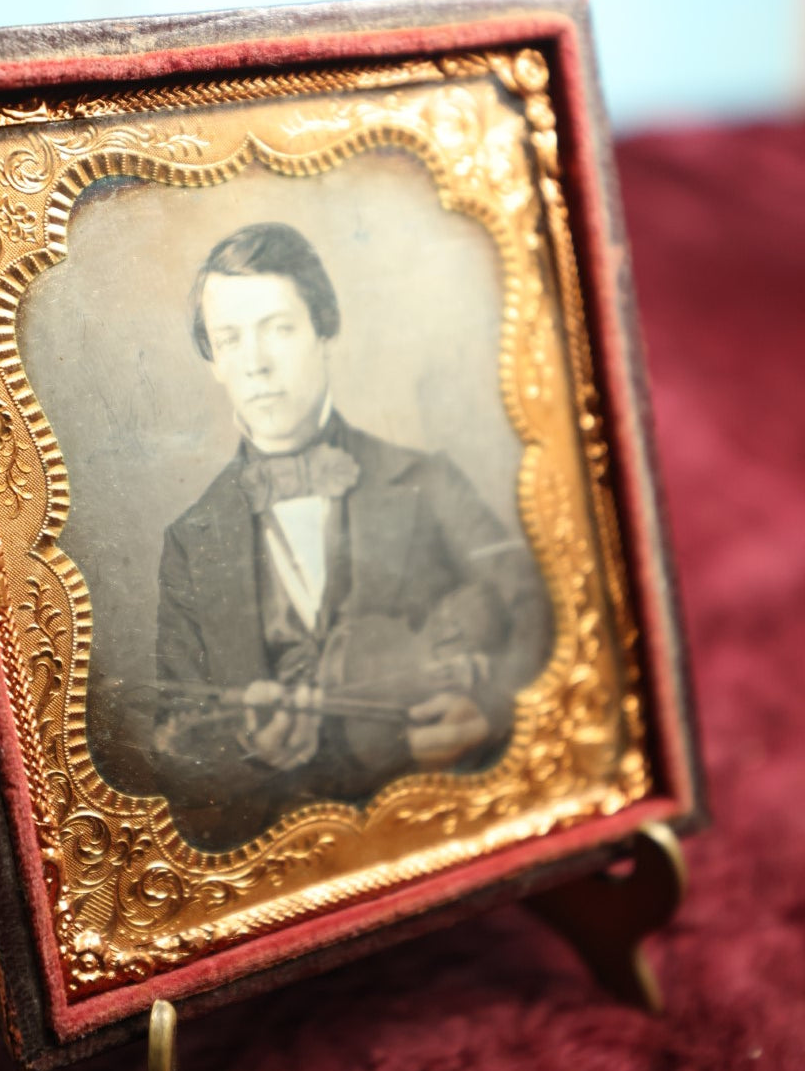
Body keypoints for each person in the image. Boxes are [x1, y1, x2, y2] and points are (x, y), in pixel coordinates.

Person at [150, 222, 552, 849]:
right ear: (215, 362)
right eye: (230, 338)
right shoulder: (190, 542)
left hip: (440, 832)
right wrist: (248, 751)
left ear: (324, 331)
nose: (256, 362)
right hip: (276, 867)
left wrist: (493, 709)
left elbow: (541, 607)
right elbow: (174, 737)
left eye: (279, 328)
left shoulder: (429, 481)